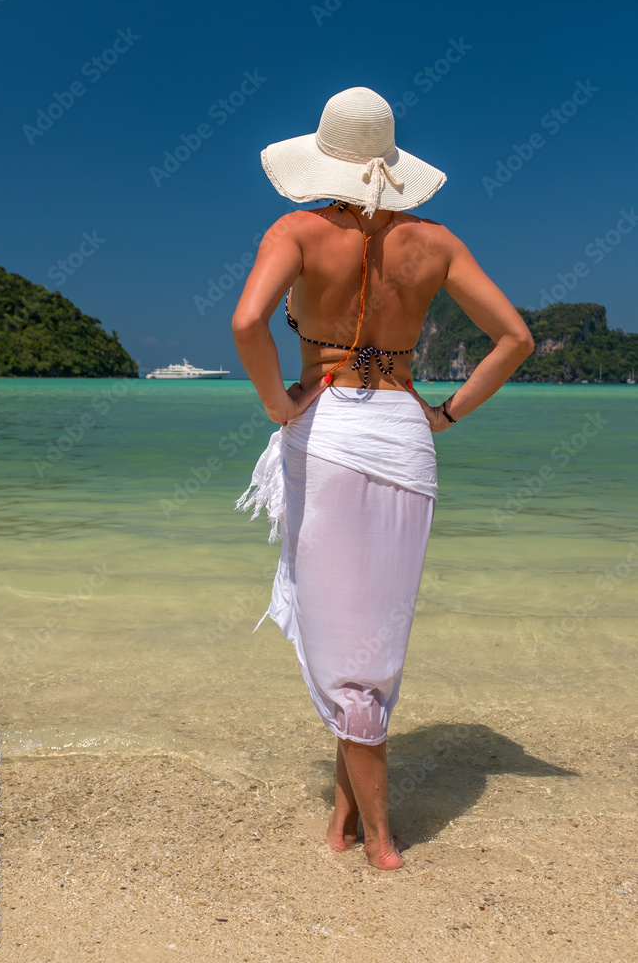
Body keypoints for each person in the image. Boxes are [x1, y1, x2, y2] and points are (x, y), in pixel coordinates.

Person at [232, 87, 534, 870]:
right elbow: (514, 339)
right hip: (402, 430)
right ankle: (342, 822)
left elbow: (244, 323)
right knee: (371, 632)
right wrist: (447, 414)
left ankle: (383, 841)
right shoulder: (434, 243)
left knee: (345, 637)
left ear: (322, 158)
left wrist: (275, 404)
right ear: (392, 165)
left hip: (327, 428)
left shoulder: (296, 230)